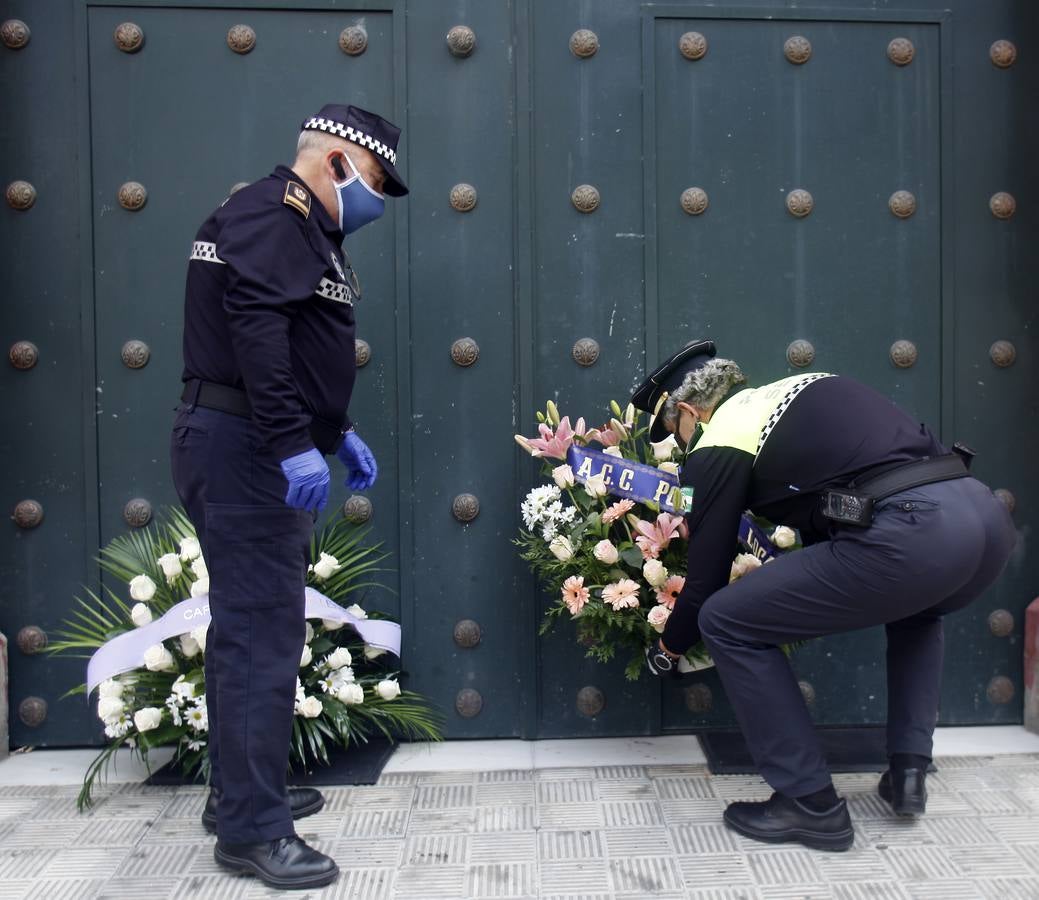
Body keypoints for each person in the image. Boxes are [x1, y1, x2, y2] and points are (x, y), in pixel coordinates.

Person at [633, 340, 1016, 851]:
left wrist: (669, 647)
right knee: (918, 612)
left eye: (674, 432)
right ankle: (909, 772)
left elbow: (705, 579)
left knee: (726, 620)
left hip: (914, 532)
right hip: (983, 520)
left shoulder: (721, 435)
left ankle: (810, 803)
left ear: (687, 411)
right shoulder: (800, 389)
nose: (680, 445)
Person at [170, 104, 407, 889]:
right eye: (373, 180)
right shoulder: (277, 214)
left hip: (251, 443)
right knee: (260, 636)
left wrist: (333, 430)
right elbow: (259, 335)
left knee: (250, 629)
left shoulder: (298, 227)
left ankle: (239, 796)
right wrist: (290, 442)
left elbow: (297, 342)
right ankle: (250, 831)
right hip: (246, 452)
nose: (374, 198)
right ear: (335, 160)